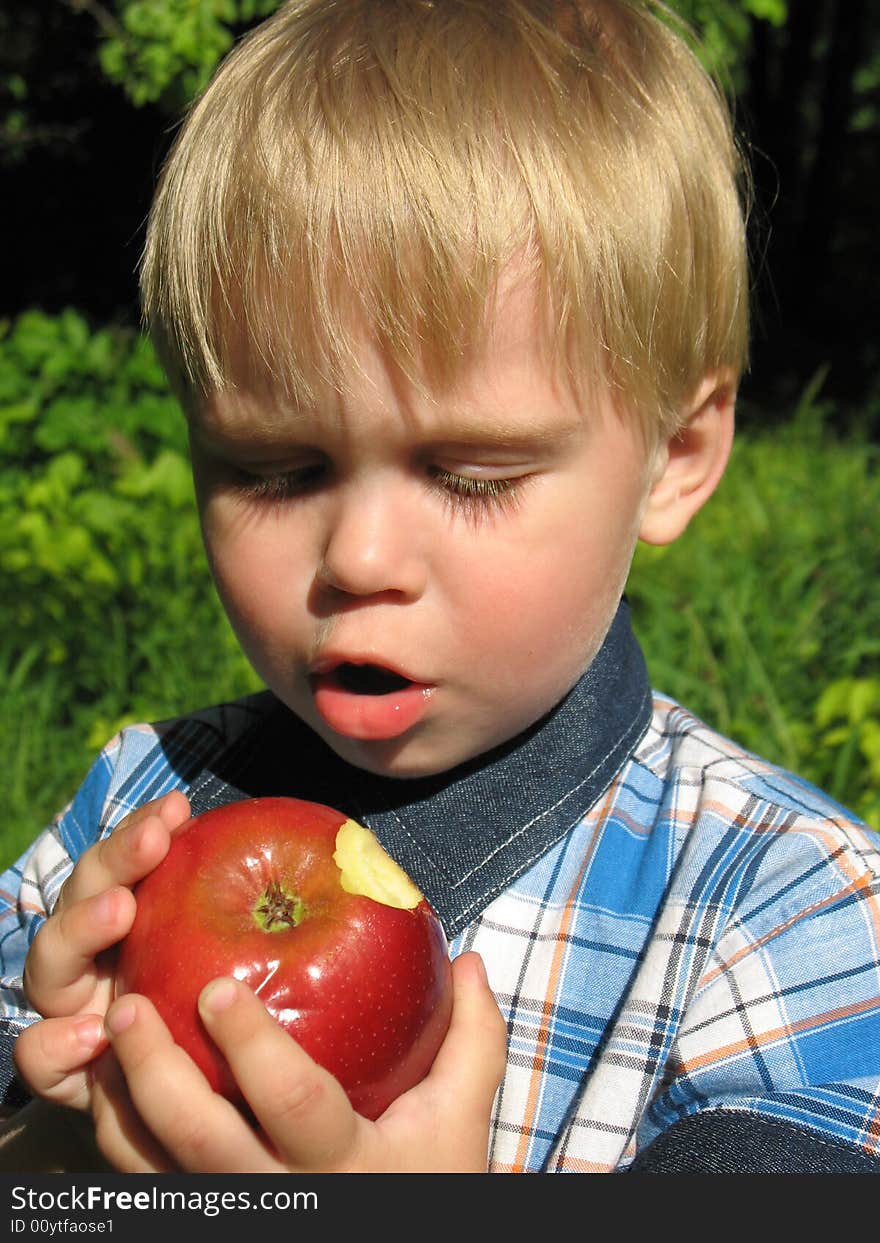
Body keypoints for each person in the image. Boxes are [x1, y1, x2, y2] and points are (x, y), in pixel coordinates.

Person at [2, 0, 879, 1175]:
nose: (359, 558)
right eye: (275, 470)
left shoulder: (786, 911)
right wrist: (54, 1146)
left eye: (468, 477)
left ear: (674, 459)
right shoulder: (135, 821)